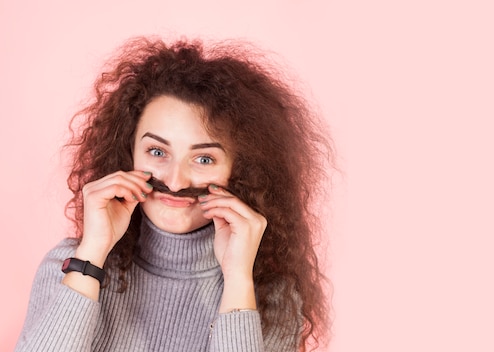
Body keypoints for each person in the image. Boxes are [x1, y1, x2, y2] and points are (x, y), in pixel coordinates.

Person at [15, 36, 333, 352]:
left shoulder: (272, 297)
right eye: (157, 151)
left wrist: (237, 279)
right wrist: (93, 254)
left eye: (204, 159)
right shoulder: (68, 264)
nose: (177, 182)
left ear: (241, 171)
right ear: (129, 154)